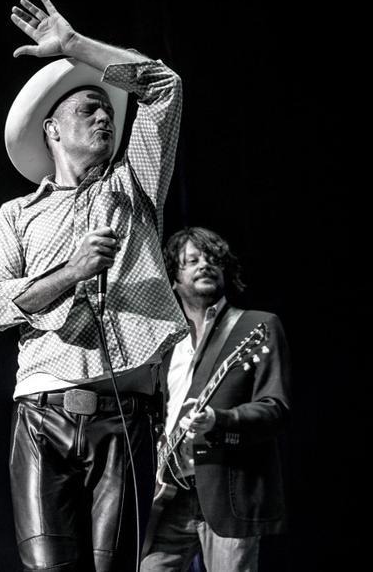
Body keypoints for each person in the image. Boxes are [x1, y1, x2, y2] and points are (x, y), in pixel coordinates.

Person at [0, 0, 188, 571]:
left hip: (125, 416)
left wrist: (74, 48)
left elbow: (163, 86)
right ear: (52, 131)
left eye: (108, 112)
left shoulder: (134, 184)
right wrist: (70, 272)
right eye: (90, 108)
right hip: (41, 414)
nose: (104, 118)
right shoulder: (15, 216)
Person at [140, 227, 290, 571]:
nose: (205, 265)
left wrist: (219, 420)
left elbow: (276, 409)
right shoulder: (164, 347)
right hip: (170, 495)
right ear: (174, 281)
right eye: (191, 261)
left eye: (212, 259)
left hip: (229, 492)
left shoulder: (257, 326)